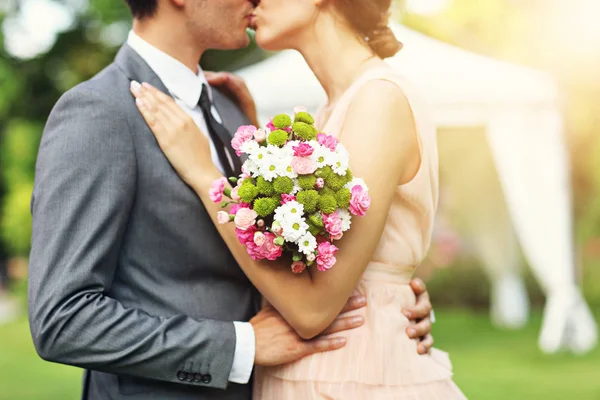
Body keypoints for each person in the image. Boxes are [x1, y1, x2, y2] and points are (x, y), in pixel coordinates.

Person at [27, 0, 435, 399]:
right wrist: (242, 346)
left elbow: (285, 254)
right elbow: (63, 319)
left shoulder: (233, 109)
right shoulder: (99, 111)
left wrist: (388, 297)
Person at [130, 0, 466, 398]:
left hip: (356, 374)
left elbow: (312, 311)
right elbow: (311, 256)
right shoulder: (331, 111)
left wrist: (206, 175)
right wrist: (256, 146)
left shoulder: (379, 101)